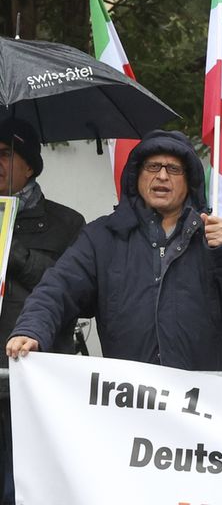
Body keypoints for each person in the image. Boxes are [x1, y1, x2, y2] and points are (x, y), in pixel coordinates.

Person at [6, 130, 222, 371]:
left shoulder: (214, 237)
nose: (162, 176)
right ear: (137, 176)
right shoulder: (102, 237)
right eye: (153, 167)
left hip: (198, 409)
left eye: (174, 169)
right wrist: (31, 330)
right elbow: (57, 288)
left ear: (189, 180)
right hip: (127, 404)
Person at [0, 118, 84, 505]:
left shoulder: (67, 223)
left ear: (30, 164)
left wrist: (11, 252)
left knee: (25, 489)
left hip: (34, 382)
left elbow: (72, 291)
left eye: (4, 154)